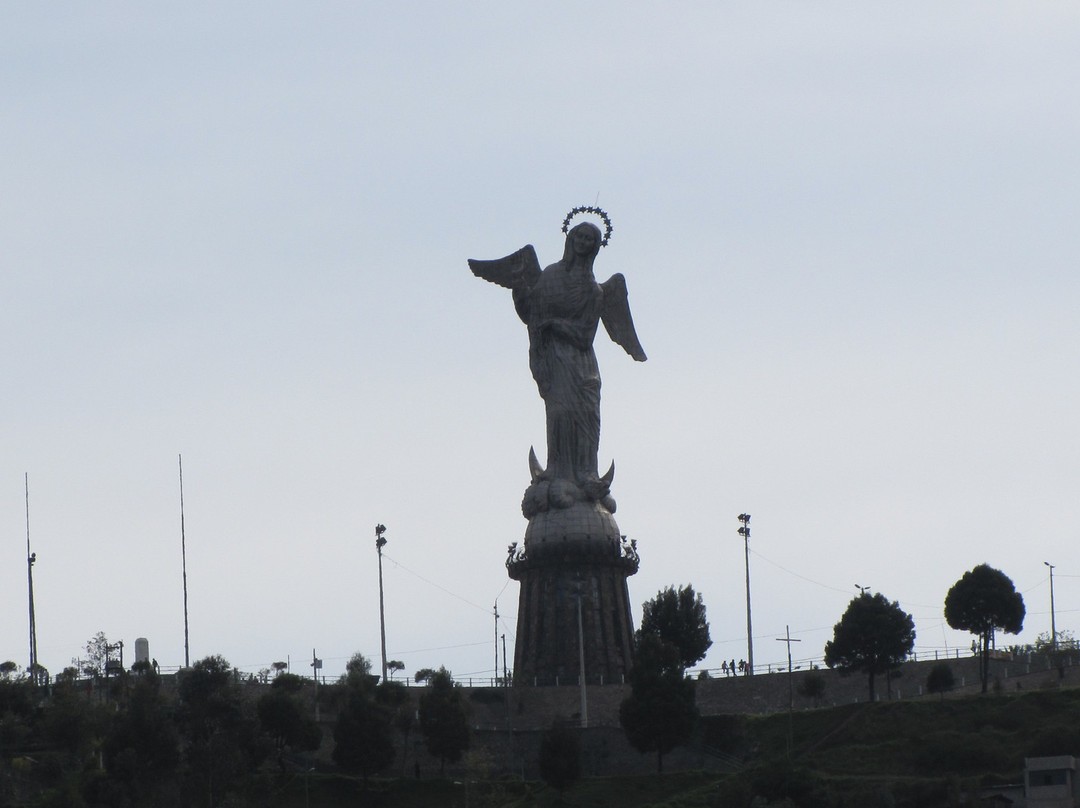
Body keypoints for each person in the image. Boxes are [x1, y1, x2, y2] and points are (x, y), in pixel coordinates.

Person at [469, 220, 646, 504]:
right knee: (560, 415)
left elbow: (585, 335)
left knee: (588, 418)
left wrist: (554, 324)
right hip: (556, 361)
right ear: (571, 238)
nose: (584, 242)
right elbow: (532, 314)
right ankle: (558, 470)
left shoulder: (594, 290)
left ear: (596, 247)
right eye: (581, 236)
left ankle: (587, 473)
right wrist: (520, 291)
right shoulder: (550, 275)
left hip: (582, 365)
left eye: (591, 239)